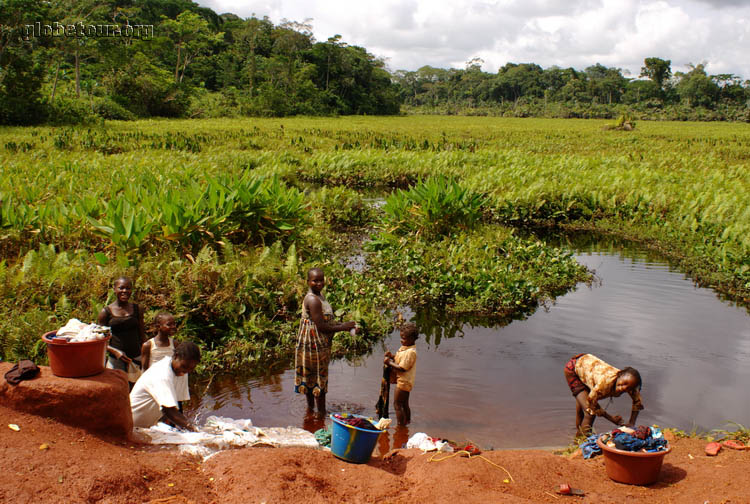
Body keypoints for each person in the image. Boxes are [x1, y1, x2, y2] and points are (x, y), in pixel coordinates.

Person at [295, 267, 357, 418]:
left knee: (311, 378)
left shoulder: (319, 296)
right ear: (308, 281)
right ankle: (320, 415)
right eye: (315, 280)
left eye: (321, 280)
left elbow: (326, 320)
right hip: (313, 344)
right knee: (317, 379)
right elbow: (322, 326)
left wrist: (345, 325)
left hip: (316, 343)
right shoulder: (313, 300)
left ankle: (310, 415)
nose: (318, 283)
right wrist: (344, 327)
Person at [564, 353, 643, 436]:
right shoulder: (605, 383)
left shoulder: (631, 386)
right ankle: (580, 442)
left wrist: (631, 423)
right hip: (573, 369)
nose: (623, 388)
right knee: (590, 414)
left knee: (582, 407)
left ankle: (578, 437)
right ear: (619, 375)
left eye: (628, 388)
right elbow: (591, 403)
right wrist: (611, 418)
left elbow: (638, 403)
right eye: (622, 384)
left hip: (587, 370)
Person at [130, 341, 201, 431]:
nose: (186, 371)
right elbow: (169, 410)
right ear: (176, 356)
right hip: (130, 425)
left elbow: (174, 405)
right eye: (184, 366)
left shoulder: (178, 371)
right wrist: (193, 429)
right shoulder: (162, 374)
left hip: (146, 427)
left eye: (191, 368)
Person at [98, 277, 146, 380]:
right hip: (116, 360)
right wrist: (115, 351)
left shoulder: (137, 309)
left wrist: (145, 355)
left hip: (136, 357)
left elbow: (142, 334)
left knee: (135, 389)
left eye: (128, 288)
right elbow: (100, 340)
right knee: (116, 388)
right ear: (114, 289)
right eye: (121, 288)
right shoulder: (106, 312)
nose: (124, 291)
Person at [140, 312, 189, 410]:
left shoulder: (174, 344)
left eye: (174, 324)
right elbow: (144, 369)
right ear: (158, 326)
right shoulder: (148, 345)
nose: (173, 327)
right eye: (169, 324)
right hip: (156, 384)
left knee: (176, 409)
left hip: (172, 382)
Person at [384, 323, 418, 426]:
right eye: (401, 338)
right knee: (404, 403)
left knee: (397, 404)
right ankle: (407, 422)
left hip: (403, 381)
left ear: (412, 339)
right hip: (406, 382)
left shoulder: (410, 352)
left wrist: (389, 363)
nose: (401, 341)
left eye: (404, 339)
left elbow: (403, 368)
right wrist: (392, 357)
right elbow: (400, 360)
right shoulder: (406, 348)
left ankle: (401, 426)